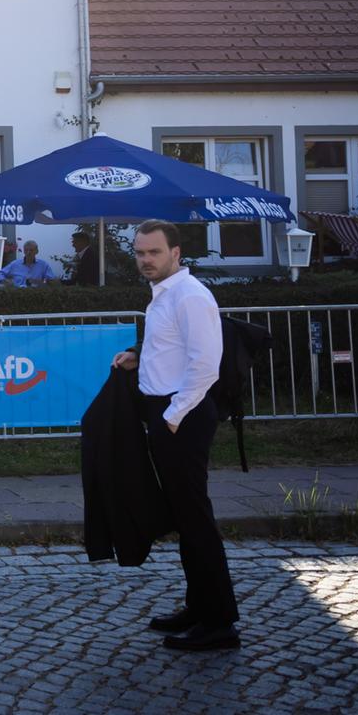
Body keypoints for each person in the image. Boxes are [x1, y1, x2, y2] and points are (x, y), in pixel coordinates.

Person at [110, 220, 239, 651]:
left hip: (182, 417)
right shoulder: (164, 295)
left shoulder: (190, 296)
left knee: (195, 518)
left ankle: (220, 622)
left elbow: (206, 364)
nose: (145, 260)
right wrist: (138, 355)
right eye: (140, 252)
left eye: (154, 252)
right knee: (186, 518)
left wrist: (173, 416)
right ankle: (198, 607)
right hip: (169, 414)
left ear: (176, 253)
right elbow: (174, 350)